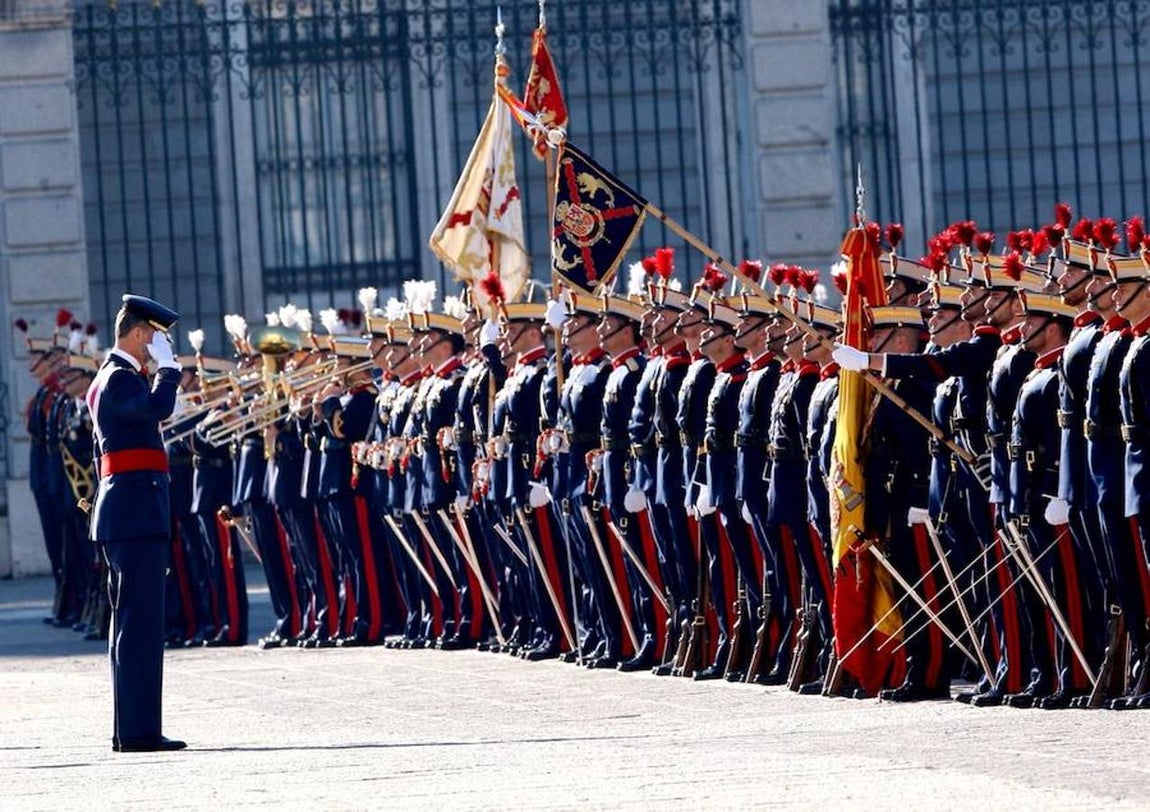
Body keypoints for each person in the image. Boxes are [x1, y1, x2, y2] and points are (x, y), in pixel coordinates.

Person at [86, 293, 186, 753]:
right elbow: (156, 410)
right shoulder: (120, 379)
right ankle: (139, 731)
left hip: (127, 512)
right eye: (156, 340)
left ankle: (131, 729)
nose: (158, 349)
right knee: (139, 626)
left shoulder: (114, 379)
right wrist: (169, 372)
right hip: (134, 514)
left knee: (131, 625)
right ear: (141, 333)